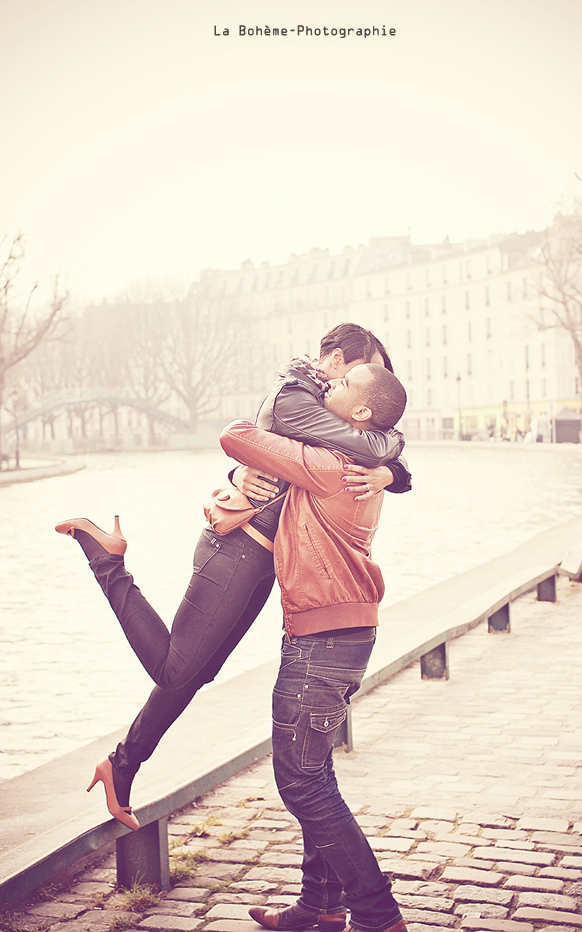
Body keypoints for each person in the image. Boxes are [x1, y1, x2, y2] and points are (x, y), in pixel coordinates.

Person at [55, 324, 411, 831]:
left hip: (262, 556)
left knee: (198, 671)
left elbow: (371, 445)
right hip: (239, 548)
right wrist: (388, 455)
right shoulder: (295, 397)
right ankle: (106, 559)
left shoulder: (331, 410)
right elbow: (301, 441)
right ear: (333, 361)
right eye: (356, 373)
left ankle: (123, 763)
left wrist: (391, 471)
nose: (355, 384)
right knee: (176, 669)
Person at [219, 363, 408, 932]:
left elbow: (237, 434)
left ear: (361, 414)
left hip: (321, 641)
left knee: (300, 781)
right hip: (342, 633)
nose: (330, 386)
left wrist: (292, 386)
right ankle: (321, 907)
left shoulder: (330, 464)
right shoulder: (356, 464)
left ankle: (378, 915)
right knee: (316, 772)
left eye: (343, 385)